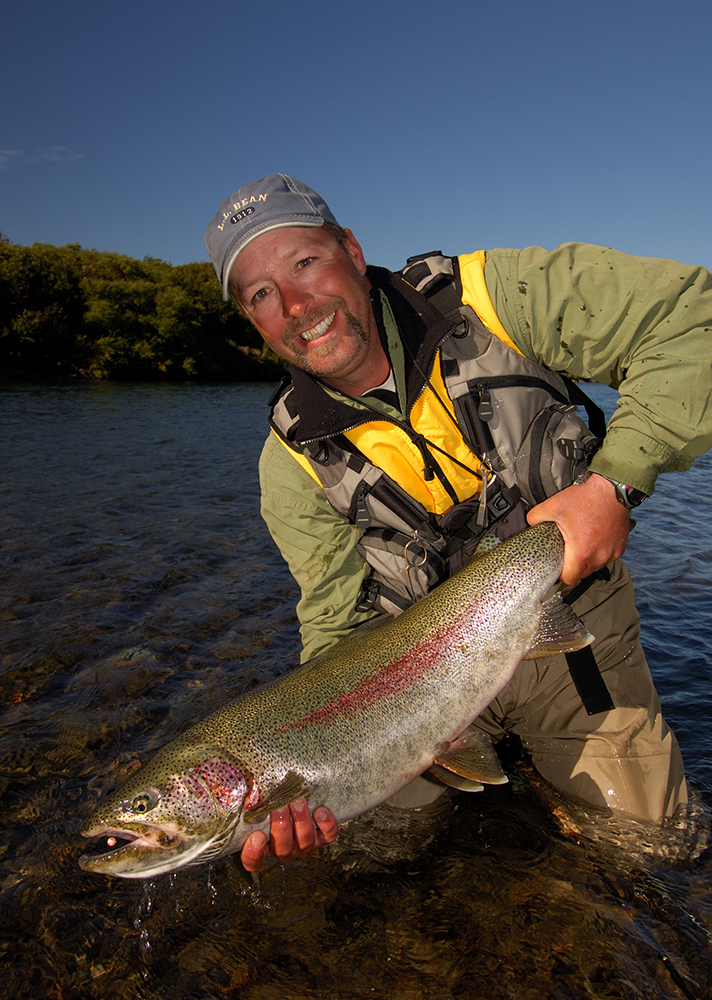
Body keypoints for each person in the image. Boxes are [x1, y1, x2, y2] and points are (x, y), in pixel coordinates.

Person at [205, 174, 712, 872]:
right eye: (261, 294)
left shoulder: (496, 296)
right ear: (251, 320)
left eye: (304, 262)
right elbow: (334, 628)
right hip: (409, 688)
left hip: (570, 629)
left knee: (655, 853)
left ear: (351, 251)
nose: (295, 305)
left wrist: (615, 484)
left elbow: (693, 320)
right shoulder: (289, 461)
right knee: (369, 855)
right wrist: (314, 764)